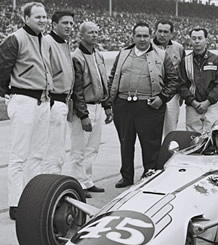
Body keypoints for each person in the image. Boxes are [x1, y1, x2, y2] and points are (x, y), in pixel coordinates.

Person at [0, 2, 52, 220]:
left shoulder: (44, 40)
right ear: (26, 18)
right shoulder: (16, 38)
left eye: (45, 17)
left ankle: (33, 199)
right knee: (19, 155)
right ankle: (15, 203)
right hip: (24, 99)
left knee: (37, 155)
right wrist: (6, 91)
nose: (43, 21)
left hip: (43, 101)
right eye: (38, 17)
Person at [107, 21, 179, 188]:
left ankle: (149, 175)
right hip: (124, 105)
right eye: (138, 35)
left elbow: (173, 81)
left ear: (150, 36)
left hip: (149, 106)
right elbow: (112, 78)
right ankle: (126, 176)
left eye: (145, 35)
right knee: (125, 143)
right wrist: (110, 103)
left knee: (150, 144)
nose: (142, 39)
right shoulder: (123, 53)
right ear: (132, 36)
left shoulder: (161, 55)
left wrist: (162, 97)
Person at [70, 21, 113, 198]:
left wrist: (107, 106)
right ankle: (78, 182)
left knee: (93, 147)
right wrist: (83, 115)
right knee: (79, 149)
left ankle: (87, 180)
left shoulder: (98, 55)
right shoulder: (76, 57)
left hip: (97, 106)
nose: (94, 35)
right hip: (84, 108)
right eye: (90, 33)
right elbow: (76, 89)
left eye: (96, 32)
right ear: (81, 35)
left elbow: (103, 83)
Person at [41, 10, 75, 174]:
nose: (69, 26)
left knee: (59, 148)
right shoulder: (47, 41)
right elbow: (43, 70)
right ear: (54, 25)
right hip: (53, 100)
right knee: (52, 149)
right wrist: (50, 99)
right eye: (65, 23)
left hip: (63, 100)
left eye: (71, 23)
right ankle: (48, 186)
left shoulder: (64, 42)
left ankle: (52, 180)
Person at [178, 28, 218, 133]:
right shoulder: (185, 61)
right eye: (194, 38)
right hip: (192, 107)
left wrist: (207, 102)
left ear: (206, 40)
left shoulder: (216, 60)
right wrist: (194, 103)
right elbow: (182, 86)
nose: (197, 41)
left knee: (213, 135)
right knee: (193, 138)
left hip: (211, 106)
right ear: (190, 40)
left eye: (200, 38)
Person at [152, 19, 185, 137]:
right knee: (153, 130)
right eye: (159, 31)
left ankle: (168, 154)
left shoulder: (178, 48)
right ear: (155, 32)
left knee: (171, 130)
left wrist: (181, 95)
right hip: (153, 94)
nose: (162, 35)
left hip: (172, 95)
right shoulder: (148, 46)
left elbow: (182, 73)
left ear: (171, 34)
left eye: (166, 32)